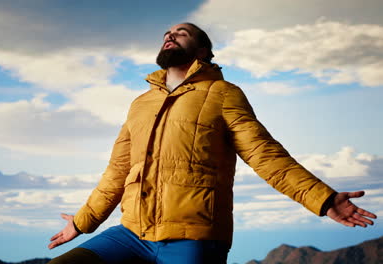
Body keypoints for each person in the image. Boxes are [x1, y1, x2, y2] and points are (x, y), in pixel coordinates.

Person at [46, 23, 377, 264]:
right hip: (131, 234)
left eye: (182, 33)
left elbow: (265, 155)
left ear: (201, 52)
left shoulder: (223, 94)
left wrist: (322, 198)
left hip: (194, 237)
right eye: (167, 34)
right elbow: (118, 170)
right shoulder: (140, 104)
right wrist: (82, 221)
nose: (170, 36)